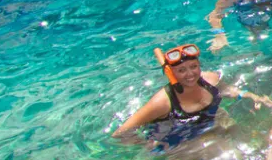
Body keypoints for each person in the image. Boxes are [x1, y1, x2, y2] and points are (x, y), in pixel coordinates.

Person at [111, 43, 260, 149]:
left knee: (243, 133)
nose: (190, 74)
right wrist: (147, 145)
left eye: (193, 67)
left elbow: (229, 90)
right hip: (176, 140)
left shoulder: (210, 79)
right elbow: (120, 133)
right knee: (219, 152)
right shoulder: (162, 101)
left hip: (205, 124)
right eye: (181, 70)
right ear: (172, 74)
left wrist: (250, 96)